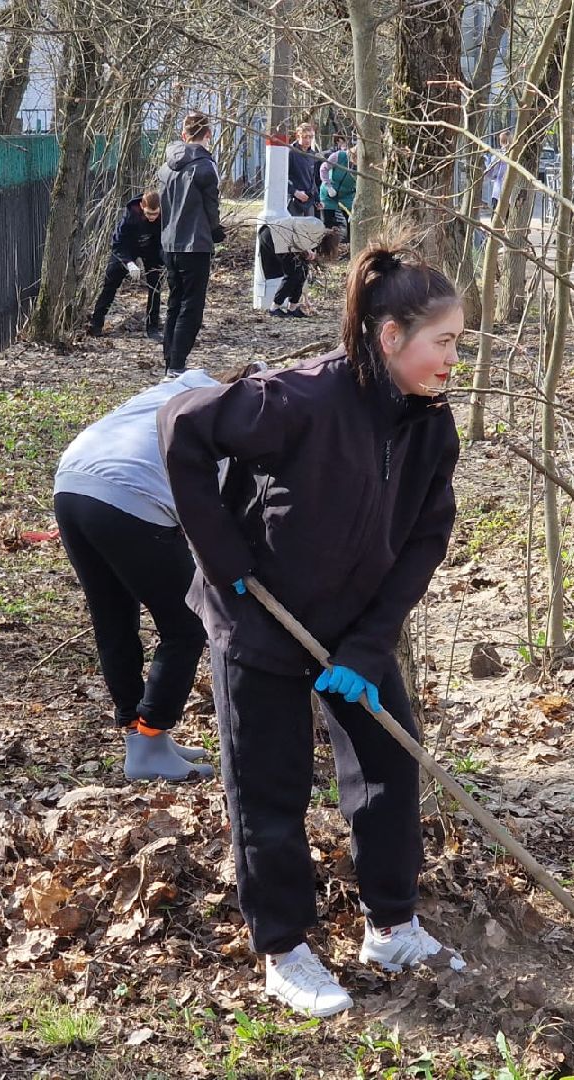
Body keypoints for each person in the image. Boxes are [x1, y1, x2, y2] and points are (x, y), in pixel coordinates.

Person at [158, 242, 467, 1018]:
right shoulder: (296, 398)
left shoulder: (429, 426)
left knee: (389, 772)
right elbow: (181, 426)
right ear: (390, 335)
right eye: (445, 342)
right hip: (259, 617)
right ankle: (285, 951)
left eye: (459, 342)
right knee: (271, 787)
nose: (453, 359)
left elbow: (427, 536)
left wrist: (368, 646)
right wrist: (226, 560)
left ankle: (391, 925)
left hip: (351, 627)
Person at [53, 363, 265, 782]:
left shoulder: (186, 384)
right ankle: (150, 741)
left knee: (113, 616)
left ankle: (141, 735)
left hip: (72, 485)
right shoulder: (226, 427)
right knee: (186, 622)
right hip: (129, 496)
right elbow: (211, 521)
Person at [157, 111, 225, 374]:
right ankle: (177, 364)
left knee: (175, 301)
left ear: (184, 135)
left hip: (170, 243)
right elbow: (211, 206)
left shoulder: (166, 167)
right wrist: (216, 230)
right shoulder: (206, 167)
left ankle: (169, 361)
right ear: (208, 135)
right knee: (192, 305)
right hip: (195, 244)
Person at [87, 189, 165, 339]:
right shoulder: (130, 215)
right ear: (142, 207)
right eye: (149, 214)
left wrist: (165, 259)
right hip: (127, 248)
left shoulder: (163, 216)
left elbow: (164, 241)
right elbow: (117, 243)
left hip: (151, 248)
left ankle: (152, 327)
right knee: (111, 282)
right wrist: (128, 262)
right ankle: (96, 324)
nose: (152, 218)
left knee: (155, 286)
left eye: (155, 214)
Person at [257, 216, 339, 318]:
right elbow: (299, 227)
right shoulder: (318, 227)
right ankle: (274, 308)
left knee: (302, 271)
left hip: (278, 237)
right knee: (293, 274)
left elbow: (298, 237)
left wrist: (307, 250)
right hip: (274, 235)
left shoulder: (315, 237)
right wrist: (306, 248)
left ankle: (293, 308)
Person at [319, 144, 356, 248]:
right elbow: (323, 169)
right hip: (330, 191)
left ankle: (351, 247)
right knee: (328, 221)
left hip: (347, 194)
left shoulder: (363, 164)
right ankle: (327, 249)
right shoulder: (338, 156)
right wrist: (328, 186)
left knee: (351, 221)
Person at [287, 122, 322, 218]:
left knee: (309, 230)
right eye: (305, 137)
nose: (308, 140)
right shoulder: (290, 152)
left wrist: (317, 199)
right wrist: (294, 192)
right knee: (295, 230)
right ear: (298, 136)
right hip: (293, 200)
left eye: (310, 137)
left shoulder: (312, 154)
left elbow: (312, 179)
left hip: (309, 200)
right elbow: (280, 178)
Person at [484, 130, 511, 211]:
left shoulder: (499, 154)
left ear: (500, 141)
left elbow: (489, 172)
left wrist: (485, 160)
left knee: (496, 216)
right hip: (511, 194)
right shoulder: (515, 155)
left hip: (498, 191)